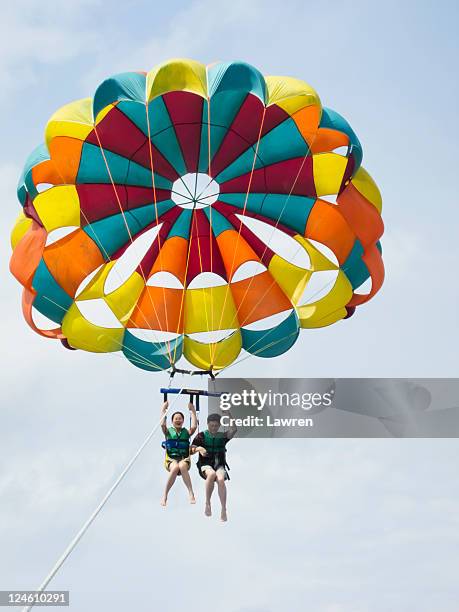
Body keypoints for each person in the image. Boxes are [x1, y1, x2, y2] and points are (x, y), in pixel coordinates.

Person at [191, 413, 237, 522]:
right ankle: (208, 503)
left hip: (219, 465)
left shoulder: (222, 436)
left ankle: (223, 509)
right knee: (211, 474)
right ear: (207, 424)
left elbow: (234, 429)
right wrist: (199, 449)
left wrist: (228, 414)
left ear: (219, 425)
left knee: (220, 479)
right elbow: (190, 449)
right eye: (211, 425)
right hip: (205, 465)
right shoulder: (201, 436)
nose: (214, 428)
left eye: (216, 426)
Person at [160, 401, 197, 507]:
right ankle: (165, 495)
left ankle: (191, 493)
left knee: (181, 465)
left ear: (183, 421)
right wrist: (163, 409)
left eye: (180, 418)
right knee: (176, 467)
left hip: (184, 459)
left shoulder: (186, 432)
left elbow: (194, 426)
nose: (178, 420)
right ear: (172, 421)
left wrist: (192, 410)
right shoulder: (168, 432)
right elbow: (162, 424)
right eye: (176, 418)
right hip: (171, 460)